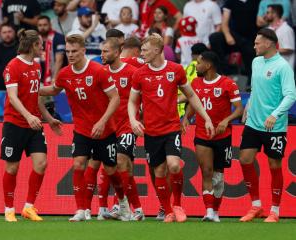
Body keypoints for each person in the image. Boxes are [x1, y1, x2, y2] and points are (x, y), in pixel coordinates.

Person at [39, 34, 130, 222]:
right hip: (81, 130)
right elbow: (54, 90)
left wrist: (103, 121)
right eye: (67, 51)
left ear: (83, 50)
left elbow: (115, 98)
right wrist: (30, 87)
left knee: (112, 170)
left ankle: (123, 202)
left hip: (104, 131)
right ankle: (81, 210)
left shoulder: (98, 71)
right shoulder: (65, 73)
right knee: (78, 164)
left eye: (74, 51)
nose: (70, 55)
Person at [128, 33, 215, 223]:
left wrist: (206, 118)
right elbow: (132, 101)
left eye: (145, 49)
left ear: (157, 50)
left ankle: (177, 204)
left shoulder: (176, 70)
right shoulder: (139, 73)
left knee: (174, 165)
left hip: (171, 127)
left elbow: (191, 96)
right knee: (159, 172)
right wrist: (133, 121)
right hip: (151, 130)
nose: (141, 53)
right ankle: (167, 211)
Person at [1, 29, 62, 222]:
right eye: (40, 45)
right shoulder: (13, 66)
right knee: (12, 168)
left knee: (41, 164)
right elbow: (12, 97)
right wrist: (28, 117)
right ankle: (9, 209)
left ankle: (28, 207)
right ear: (32, 46)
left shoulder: (36, 67)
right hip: (15, 124)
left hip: (34, 124)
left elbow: (35, 97)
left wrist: (49, 119)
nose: (43, 48)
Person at [238, 28, 296, 223]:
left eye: (257, 43)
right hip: (254, 122)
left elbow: (291, 95)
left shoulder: (283, 66)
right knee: (245, 159)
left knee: (274, 165)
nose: (254, 46)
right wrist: (248, 106)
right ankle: (256, 206)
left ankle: (275, 210)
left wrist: (275, 114)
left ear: (269, 43)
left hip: (274, 125)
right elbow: (255, 89)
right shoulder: (256, 62)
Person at [181, 51, 243, 222]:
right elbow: (194, 104)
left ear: (208, 66)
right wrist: (187, 117)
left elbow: (239, 109)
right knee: (206, 171)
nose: (196, 65)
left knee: (218, 175)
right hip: (202, 134)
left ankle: (216, 211)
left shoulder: (228, 84)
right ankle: (208, 211)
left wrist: (226, 120)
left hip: (223, 136)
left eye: (199, 63)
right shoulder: (195, 83)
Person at [99, 38, 144, 221]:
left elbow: (142, 96)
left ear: (117, 52)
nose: (102, 55)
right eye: (101, 51)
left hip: (127, 124)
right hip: (109, 127)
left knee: (120, 161)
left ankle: (121, 205)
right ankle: (138, 209)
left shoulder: (133, 72)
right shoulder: (101, 73)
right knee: (124, 169)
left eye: (105, 51)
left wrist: (140, 119)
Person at [37, 15, 65, 85]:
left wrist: (54, 78)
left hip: (55, 77)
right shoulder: (35, 39)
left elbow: (59, 60)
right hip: (39, 78)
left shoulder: (59, 37)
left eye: (45, 25)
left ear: (50, 25)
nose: (42, 27)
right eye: (40, 25)